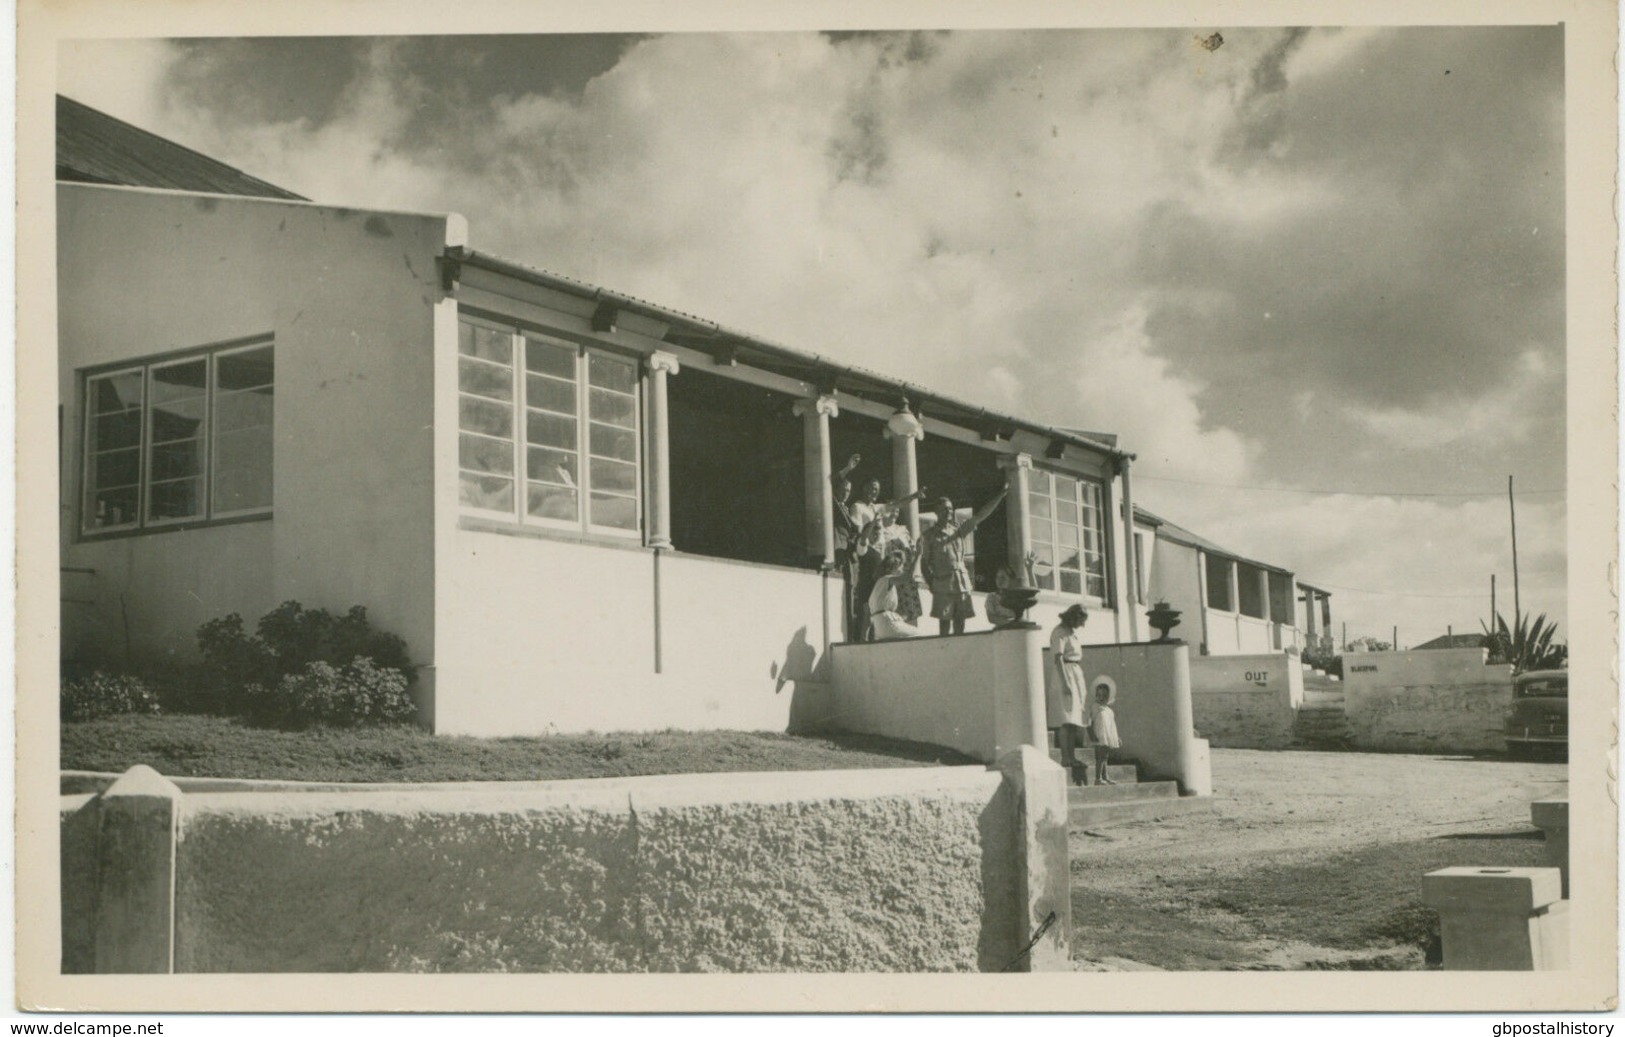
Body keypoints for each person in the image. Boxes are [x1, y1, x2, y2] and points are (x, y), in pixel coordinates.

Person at [919, 488, 1008, 635]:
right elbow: (924, 564)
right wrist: (931, 584)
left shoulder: (959, 530)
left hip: (961, 582)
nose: (948, 512)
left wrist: (1001, 494)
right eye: (944, 509)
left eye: (950, 509)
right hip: (942, 583)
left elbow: (980, 516)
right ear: (936, 511)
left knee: (960, 622)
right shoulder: (929, 536)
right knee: (944, 624)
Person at [1048, 603, 1091, 779]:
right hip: (1064, 674)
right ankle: (1066, 758)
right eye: (1080, 619)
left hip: (1075, 673)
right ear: (1073, 616)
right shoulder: (1059, 632)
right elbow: (1058, 658)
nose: (1081, 624)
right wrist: (1066, 683)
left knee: (1074, 720)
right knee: (1066, 719)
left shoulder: (1071, 633)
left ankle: (1072, 757)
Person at [830, 453, 867, 641]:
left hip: (851, 556)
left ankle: (852, 636)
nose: (846, 492)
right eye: (843, 488)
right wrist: (848, 468)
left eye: (849, 490)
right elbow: (829, 482)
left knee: (853, 596)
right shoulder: (834, 505)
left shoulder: (847, 508)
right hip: (839, 555)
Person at [867, 544, 924, 640]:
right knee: (919, 634)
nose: (902, 569)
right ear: (894, 567)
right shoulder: (887, 579)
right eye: (901, 566)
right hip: (886, 624)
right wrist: (918, 555)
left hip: (879, 625)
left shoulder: (880, 583)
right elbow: (908, 577)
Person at [1090, 677, 1122, 785]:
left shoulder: (1109, 710)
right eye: (1099, 695)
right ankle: (1097, 778)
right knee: (1100, 757)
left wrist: (1116, 737)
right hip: (1099, 735)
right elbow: (1089, 722)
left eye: (1104, 696)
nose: (1101, 698)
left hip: (1107, 736)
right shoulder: (1095, 707)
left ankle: (1105, 776)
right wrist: (1091, 734)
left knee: (1105, 756)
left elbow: (1112, 725)